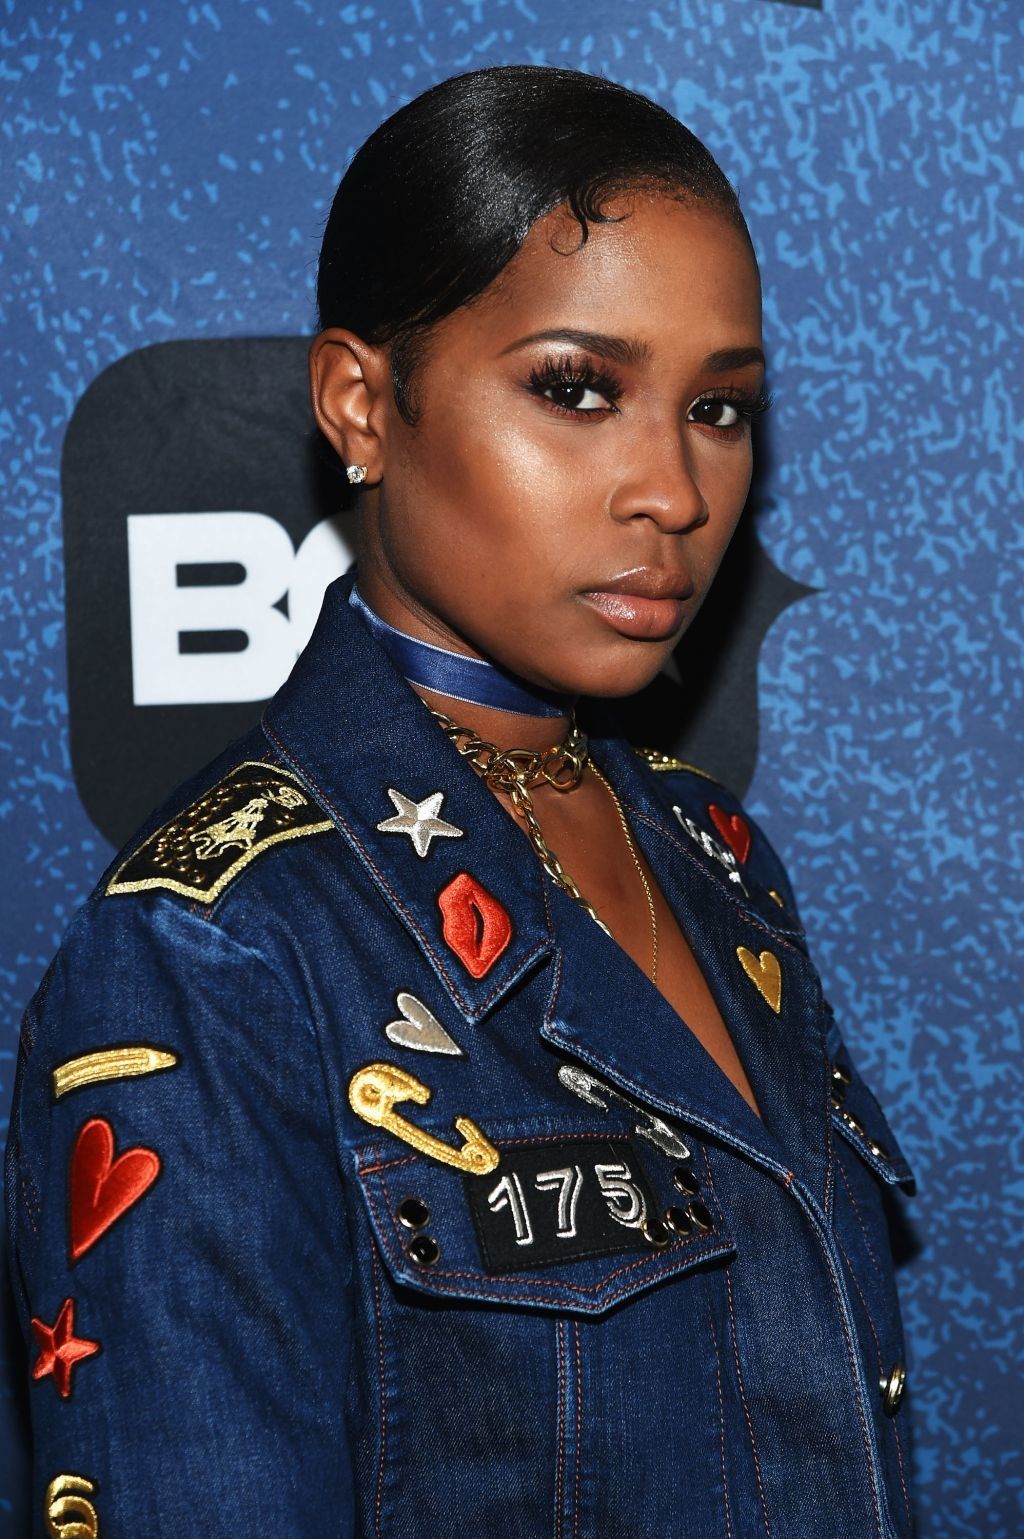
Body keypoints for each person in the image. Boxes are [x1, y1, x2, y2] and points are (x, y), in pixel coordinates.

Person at [5, 63, 916, 1538]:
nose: (675, 491)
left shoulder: (714, 854)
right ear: (363, 405)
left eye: (719, 408)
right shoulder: (215, 954)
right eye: (577, 389)